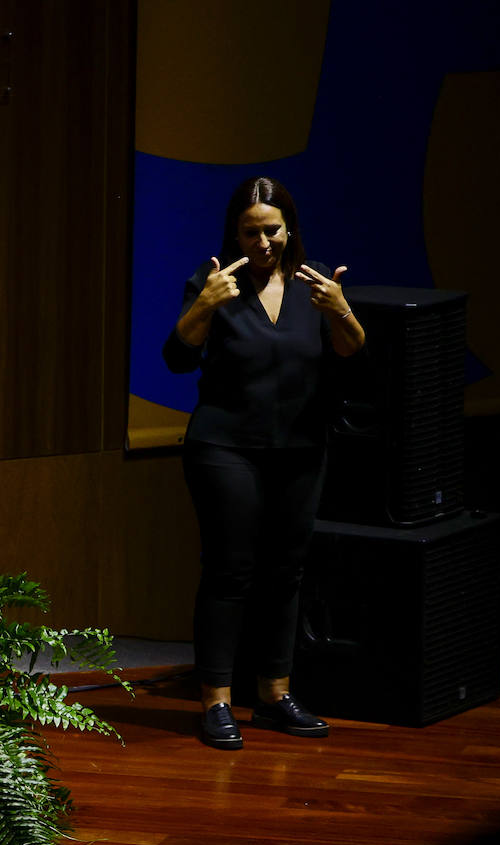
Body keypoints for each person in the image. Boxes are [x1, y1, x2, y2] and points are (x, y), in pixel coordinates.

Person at [163, 176, 366, 750]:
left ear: (289, 228)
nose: (262, 241)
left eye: (271, 230)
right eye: (250, 231)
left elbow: (354, 354)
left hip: (300, 450)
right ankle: (217, 702)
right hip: (225, 449)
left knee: (286, 572)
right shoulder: (216, 283)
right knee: (230, 571)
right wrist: (204, 304)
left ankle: (275, 695)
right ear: (236, 233)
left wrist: (341, 310)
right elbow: (178, 358)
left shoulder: (314, 284)